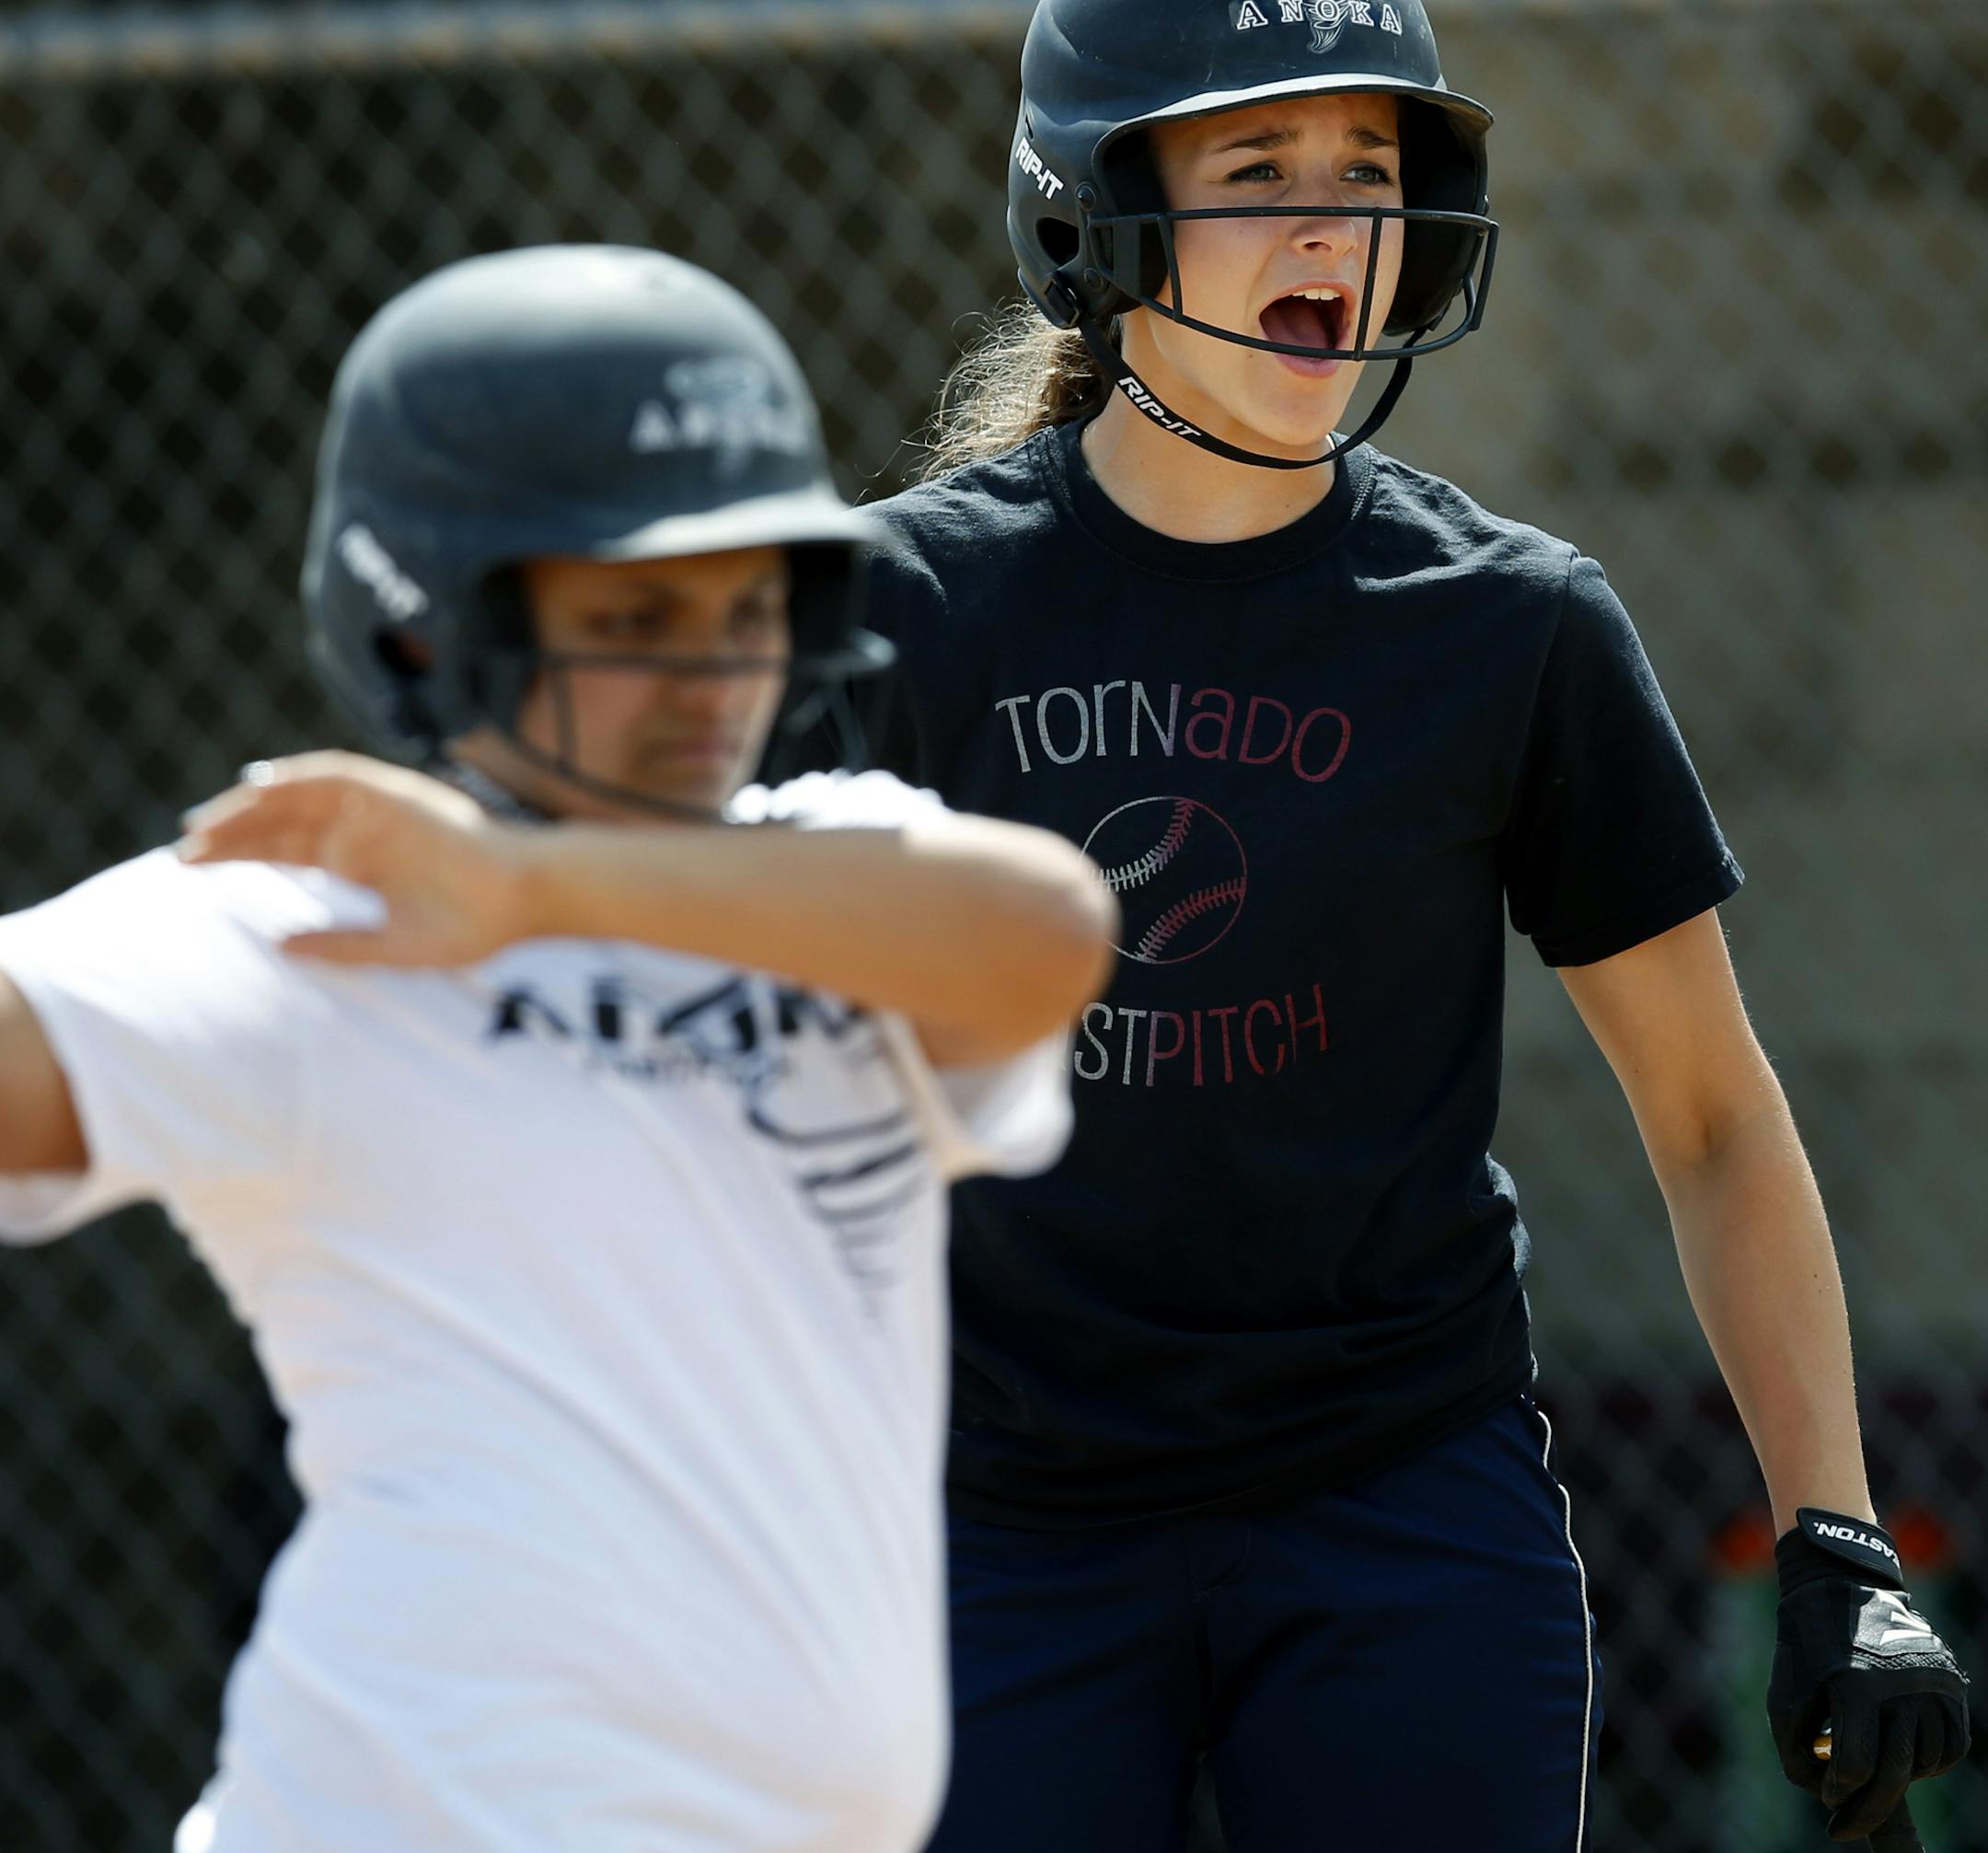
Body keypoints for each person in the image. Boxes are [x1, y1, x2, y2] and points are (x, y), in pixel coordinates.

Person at [769, 3, 1973, 1848]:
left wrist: (1834, 1531)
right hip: (988, 1512)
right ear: (1094, 221)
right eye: (1258, 173)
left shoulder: (1508, 630)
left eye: (1370, 174)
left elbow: (1715, 1119)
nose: (1333, 227)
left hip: (1396, 1513)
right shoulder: (899, 619)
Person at [0, 244, 1115, 1853]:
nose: (714, 675)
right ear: (425, 623)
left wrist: (525, 886)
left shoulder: (826, 870)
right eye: (637, 613)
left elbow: (1051, 934)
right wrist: (461, 881)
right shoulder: (316, 915)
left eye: (749, 606)